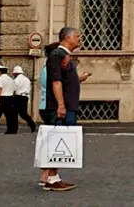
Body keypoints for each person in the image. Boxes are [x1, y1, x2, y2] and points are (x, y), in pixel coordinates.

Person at [40, 27, 89, 192]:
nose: (79, 39)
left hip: (67, 106)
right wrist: (61, 105)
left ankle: (54, 176)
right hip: (60, 107)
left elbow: (65, 81)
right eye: (77, 36)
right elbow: (56, 81)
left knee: (61, 141)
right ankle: (52, 179)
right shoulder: (57, 55)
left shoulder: (64, 56)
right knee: (57, 141)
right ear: (67, 38)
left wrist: (77, 79)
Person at [9, 65, 38, 132]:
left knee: (14, 113)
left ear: (16, 73)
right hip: (25, 97)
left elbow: (13, 89)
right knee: (23, 113)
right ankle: (31, 124)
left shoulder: (16, 80)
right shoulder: (27, 79)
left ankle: (14, 129)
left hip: (18, 97)